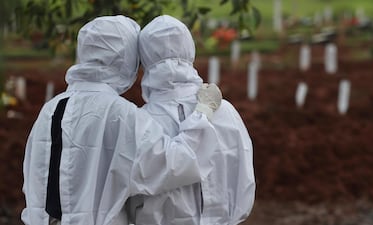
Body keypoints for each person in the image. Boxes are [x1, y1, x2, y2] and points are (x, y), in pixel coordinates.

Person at [21, 15, 223, 225]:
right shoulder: (119, 113)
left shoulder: (50, 109)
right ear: (125, 58)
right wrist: (203, 113)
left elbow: (34, 180)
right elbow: (177, 163)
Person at [129, 15, 255, 225]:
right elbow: (244, 179)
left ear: (143, 58)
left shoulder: (139, 122)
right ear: (190, 48)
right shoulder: (225, 111)